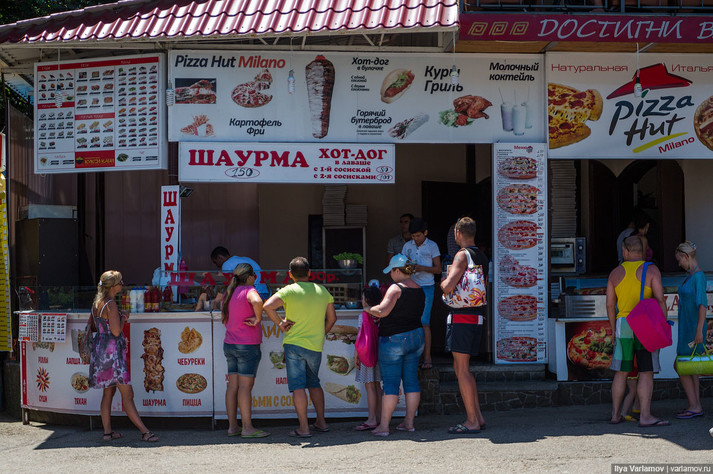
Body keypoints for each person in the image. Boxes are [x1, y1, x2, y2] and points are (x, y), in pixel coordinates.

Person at [263, 257, 337, 438]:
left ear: (290, 274)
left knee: (298, 387)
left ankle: (303, 428)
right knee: (314, 382)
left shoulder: (289, 290)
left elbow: (268, 306)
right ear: (309, 272)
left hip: (294, 344)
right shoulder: (322, 290)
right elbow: (332, 318)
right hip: (315, 345)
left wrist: (280, 323)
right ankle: (321, 422)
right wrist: (322, 332)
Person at [606, 236, 669, 427]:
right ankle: (645, 416)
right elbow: (660, 299)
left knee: (621, 372)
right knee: (646, 371)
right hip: (645, 326)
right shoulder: (651, 270)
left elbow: (610, 305)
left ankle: (615, 414)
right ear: (642, 251)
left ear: (626, 251)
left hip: (623, 324)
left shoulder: (615, 273)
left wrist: (613, 329)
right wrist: (662, 325)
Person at [89, 270, 158, 442]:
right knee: (128, 395)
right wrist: (123, 318)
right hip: (113, 354)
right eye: (120, 281)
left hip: (101, 351)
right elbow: (116, 331)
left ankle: (107, 433)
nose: (123, 284)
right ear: (113, 286)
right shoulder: (111, 304)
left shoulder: (97, 302)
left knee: (108, 393)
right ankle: (145, 432)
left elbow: (96, 326)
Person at [362, 254, 425, 436]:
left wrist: (368, 309)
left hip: (394, 339)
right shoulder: (419, 288)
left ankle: (384, 426)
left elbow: (382, 311)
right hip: (416, 336)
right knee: (411, 380)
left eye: (391, 270)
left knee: (390, 383)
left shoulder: (395, 288)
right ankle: (409, 423)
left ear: (398, 270)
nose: (390, 274)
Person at [440, 217, 488, 434]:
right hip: (476, 316)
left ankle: (472, 421)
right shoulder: (481, 255)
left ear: (458, 233)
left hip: (462, 317)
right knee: (465, 369)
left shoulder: (462, 255)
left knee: (461, 370)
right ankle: (478, 416)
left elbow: (448, 286)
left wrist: (443, 282)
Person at [221, 263, 270, 438]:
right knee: (244, 387)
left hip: (230, 344)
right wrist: (258, 318)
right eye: (254, 276)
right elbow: (257, 301)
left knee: (232, 386)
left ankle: (232, 427)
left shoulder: (229, 292)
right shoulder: (249, 290)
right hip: (247, 345)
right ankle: (247, 428)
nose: (255, 279)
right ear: (249, 277)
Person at [401, 217, 441, 369]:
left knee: (424, 322)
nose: (416, 238)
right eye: (413, 236)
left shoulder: (432, 246)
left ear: (425, 232)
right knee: (411, 322)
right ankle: (414, 358)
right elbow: (402, 266)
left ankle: (427, 357)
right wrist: (408, 268)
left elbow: (438, 269)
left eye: (418, 235)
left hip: (427, 287)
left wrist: (422, 267)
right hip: (410, 287)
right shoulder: (407, 246)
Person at [673, 241, 706, 419]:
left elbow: (703, 305)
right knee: (690, 367)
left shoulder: (698, 277)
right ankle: (695, 405)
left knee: (681, 365)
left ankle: (694, 405)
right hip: (688, 327)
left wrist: (699, 330)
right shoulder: (693, 276)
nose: (679, 264)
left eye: (680, 260)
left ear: (686, 257)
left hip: (692, 328)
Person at [353, 286, 384, 431]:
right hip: (380, 351)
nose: (361, 300)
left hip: (367, 353)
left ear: (367, 300)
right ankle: (380, 417)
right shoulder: (382, 313)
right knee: (378, 386)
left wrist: (356, 355)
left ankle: (371, 419)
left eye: (363, 298)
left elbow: (360, 337)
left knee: (369, 385)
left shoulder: (364, 315)